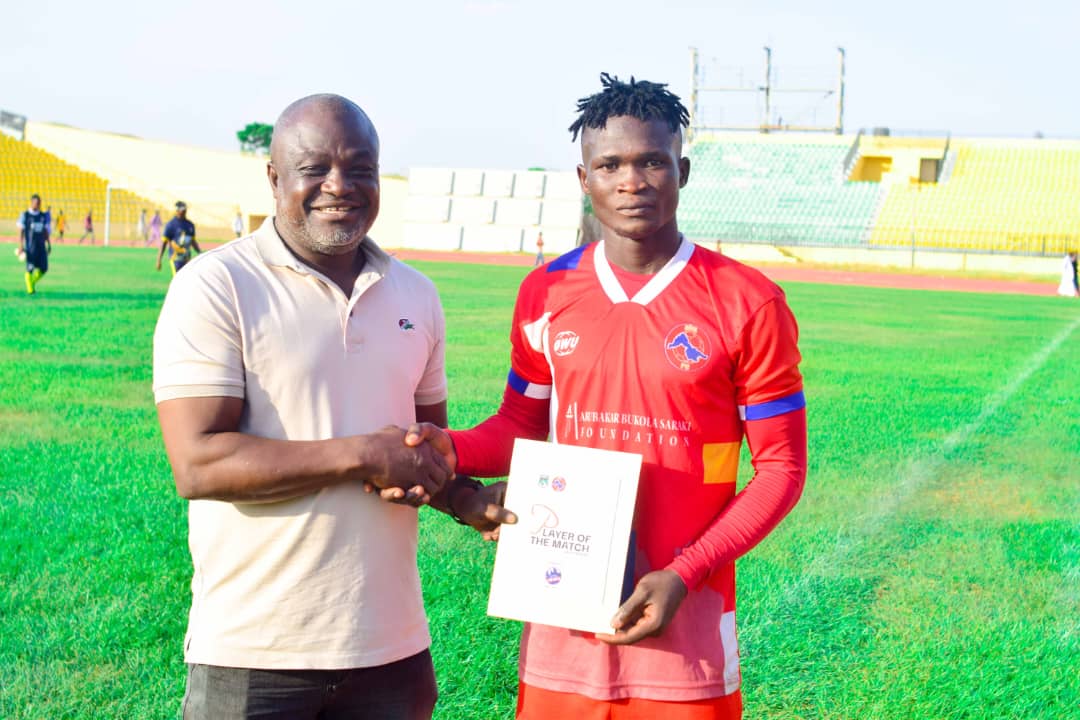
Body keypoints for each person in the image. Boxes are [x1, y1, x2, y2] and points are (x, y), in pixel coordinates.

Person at [409, 73, 807, 719]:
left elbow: (782, 470)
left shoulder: (747, 301)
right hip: (562, 613)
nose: (632, 181)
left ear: (682, 169)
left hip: (686, 619)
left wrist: (686, 571)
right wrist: (446, 449)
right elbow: (521, 423)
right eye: (611, 164)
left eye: (652, 161)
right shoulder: (546, 292)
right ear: (583, 178)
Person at [152, 93, 511, 720]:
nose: (339, 186)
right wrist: (362, 455)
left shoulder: (417, 295)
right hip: (253, 654)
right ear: (273, 178)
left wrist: (463, 497)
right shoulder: (215, 285)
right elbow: (199, 464)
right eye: (315, 168)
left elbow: (429, 448)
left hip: (391, 652)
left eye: (361, 168)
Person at [17, 193, 52, 295]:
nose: (38, 205)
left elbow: (45, 231)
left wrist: (49, 244)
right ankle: (30, 290)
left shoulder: (42, 216)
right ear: (32, 202)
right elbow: (20, 231)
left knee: (44, 268)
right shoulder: (25, 215)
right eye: (36, 203)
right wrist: (20, 246)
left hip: (41, 247)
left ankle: (31, 282)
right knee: (30, 269)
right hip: (30, 248)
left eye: (39, 203)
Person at [155, 201, 202, 275]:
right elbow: (164, 244)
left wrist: (200, 252)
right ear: (177, 210)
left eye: (184, 210)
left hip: (187, 259)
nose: (183, 212)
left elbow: (193, 241)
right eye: (181, 210)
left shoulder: (190, 225)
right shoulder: (171, 225)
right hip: (176, 259)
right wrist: (159, 260)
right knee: (177, 280)